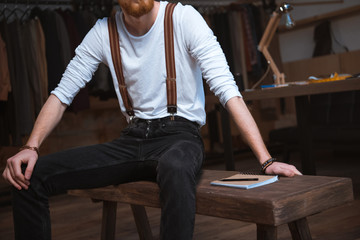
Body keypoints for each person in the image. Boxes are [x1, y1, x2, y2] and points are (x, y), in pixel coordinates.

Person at [2, 0, 302, 239]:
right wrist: (32, 146)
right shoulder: (102, 31)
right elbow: (62, 94)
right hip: (131, 140)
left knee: (175, 166)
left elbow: (227, 92)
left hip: (179, 137)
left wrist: (265, 161)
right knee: (31, 175)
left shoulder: (184, 19)